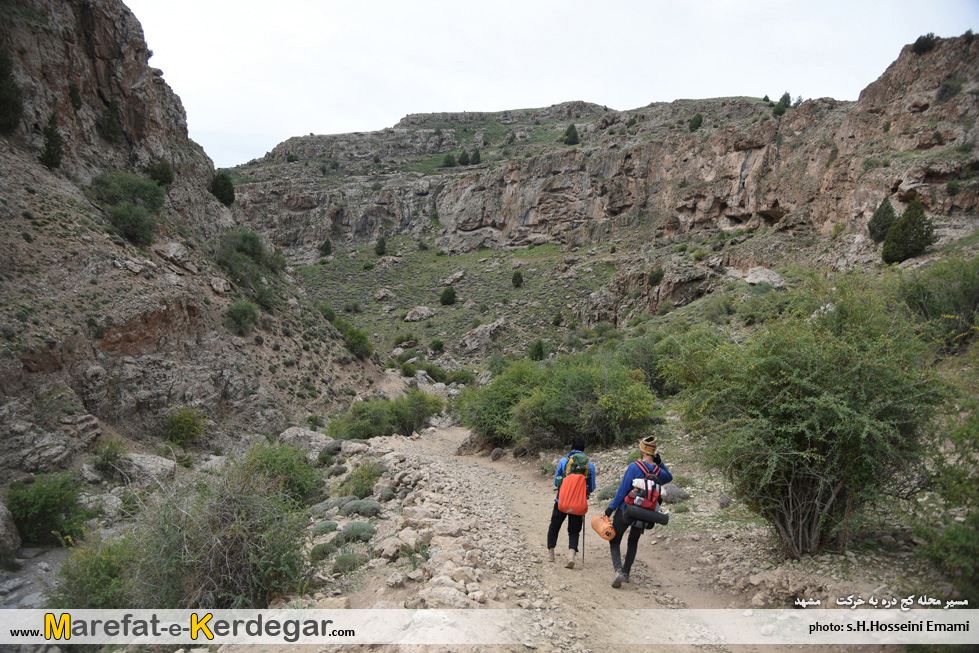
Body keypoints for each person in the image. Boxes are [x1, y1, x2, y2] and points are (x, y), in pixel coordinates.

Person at [604, 435, 672, 588]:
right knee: (633, 542)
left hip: (626, 510)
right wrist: (660, 463)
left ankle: (618, 571)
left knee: (614, 540)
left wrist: (611, 508)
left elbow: (622, 491)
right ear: (653, 452)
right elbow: (669, 477)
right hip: (645, 513)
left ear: (642, 450)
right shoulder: (658, 471)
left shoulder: (634, 467)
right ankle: (627, 572)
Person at [547, 437, 596, 569]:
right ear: (584, 449)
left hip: (561, 501)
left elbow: (556, 482)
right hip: (578, 504)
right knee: (574, 531)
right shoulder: (589, 465)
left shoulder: (564, 461)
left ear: (572, 448)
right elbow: (591, 488)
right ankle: (571, 555)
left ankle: (551, 553)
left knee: (554, 526)